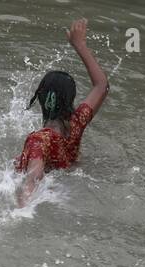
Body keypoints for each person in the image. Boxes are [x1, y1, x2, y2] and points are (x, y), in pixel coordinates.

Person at [15, 18, 110, 205]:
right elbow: (102, 86)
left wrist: (21, 208)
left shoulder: (38, 139)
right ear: (70, 101)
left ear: (40, 99)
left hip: (49, 193)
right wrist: (80, 45)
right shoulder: (76, 124)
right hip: (67, 186)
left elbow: (33, 177)